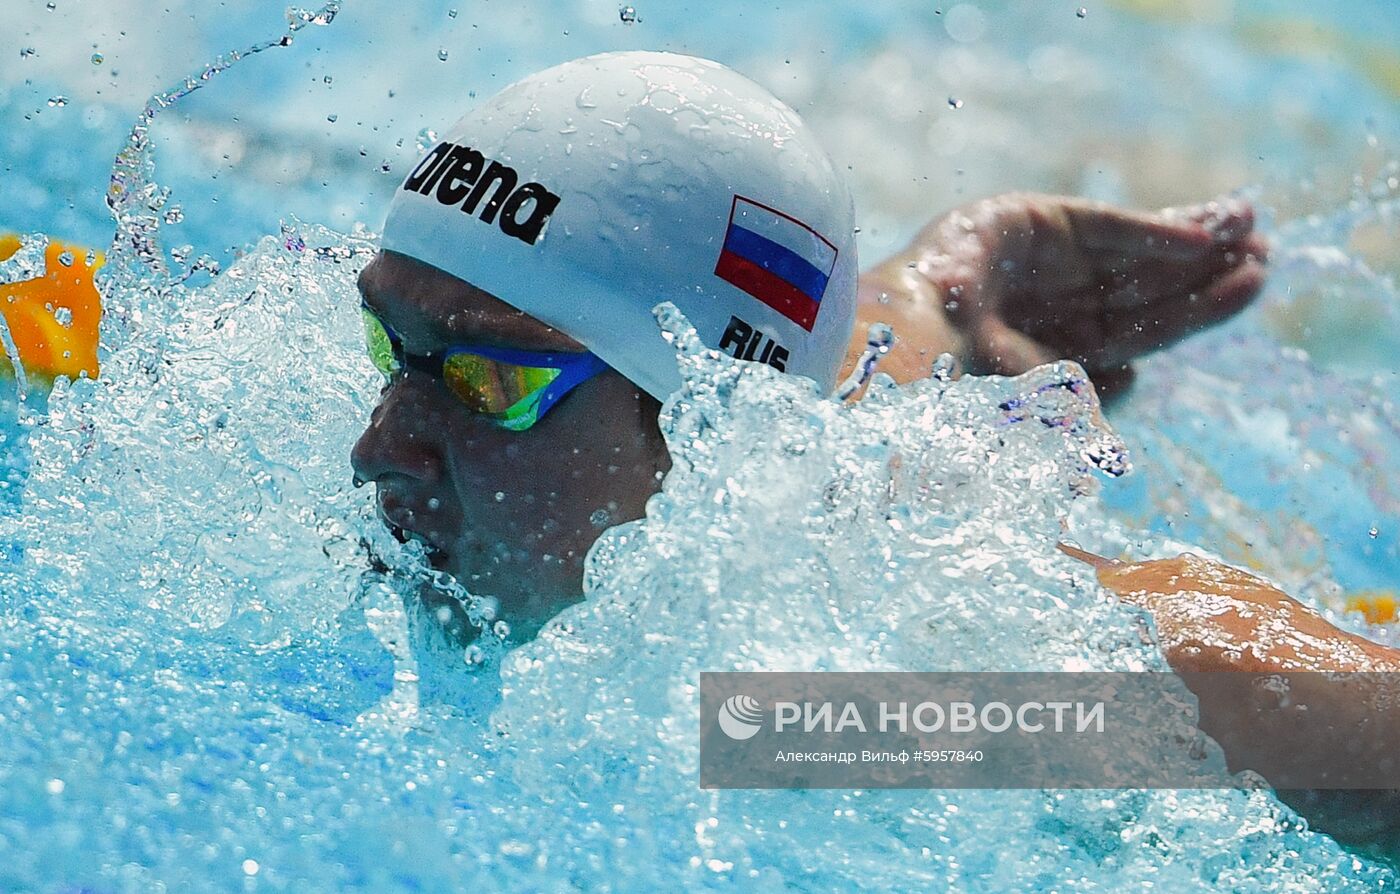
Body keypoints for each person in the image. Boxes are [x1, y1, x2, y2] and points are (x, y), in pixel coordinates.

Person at [349, 50, 1400, 846]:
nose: (379, 448)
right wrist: (943, 288)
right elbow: (816, 381)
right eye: (386, 343)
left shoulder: (884, 695)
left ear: (705, 436)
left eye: (492, 381)